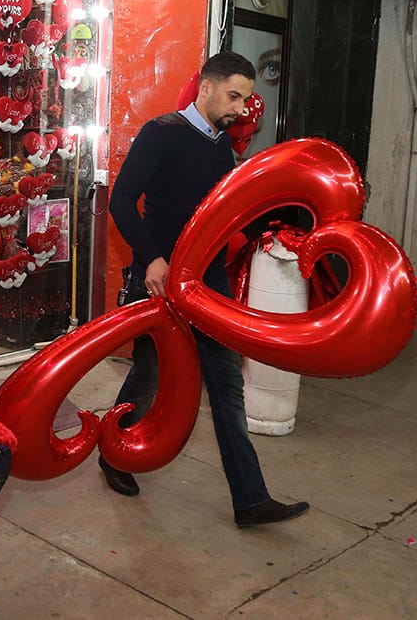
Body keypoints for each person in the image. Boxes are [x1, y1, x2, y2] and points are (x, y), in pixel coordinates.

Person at [103, 51, 310, 528]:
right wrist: (152, 257)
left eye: (247, 99)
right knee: (149, 378)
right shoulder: (161, 133)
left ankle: (250, 499)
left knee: (226, 384)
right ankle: (114, 455)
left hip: (208, 285)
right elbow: (120, 202)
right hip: (158, 279)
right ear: (207, 87)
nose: (240, 108)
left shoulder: (222, 149)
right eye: (234, 95)